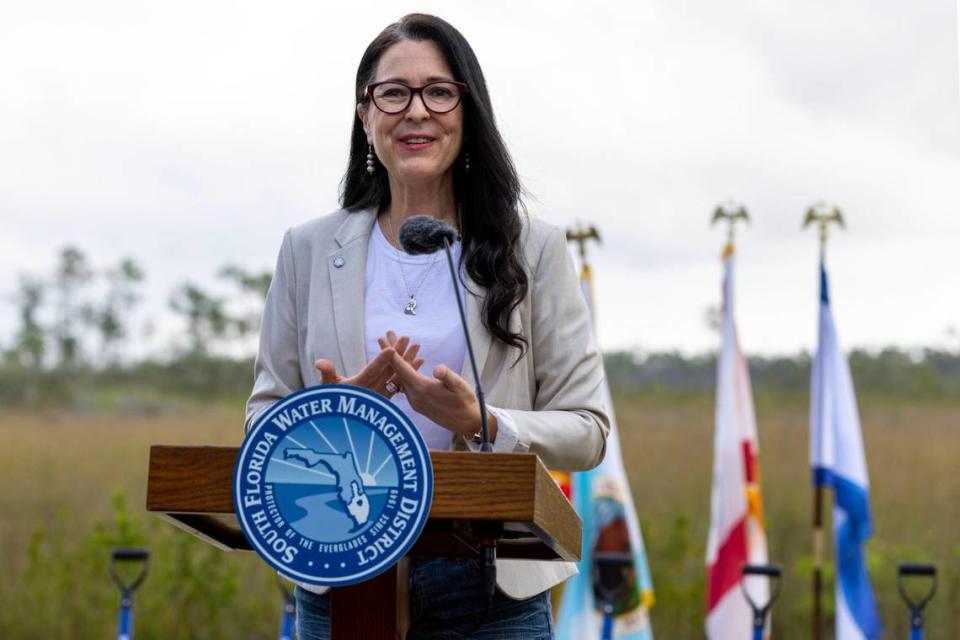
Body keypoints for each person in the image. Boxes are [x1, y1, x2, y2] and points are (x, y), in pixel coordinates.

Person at [245, 13, 609, 640]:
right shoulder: (306, 248)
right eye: (393, 93)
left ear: (468, 112)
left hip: (488, 583)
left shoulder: (534, 250)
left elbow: (588, 431)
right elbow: (262, 420)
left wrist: (483, 421)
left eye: (439, 92)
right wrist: (336, 414)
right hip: (342, 570)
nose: (416, 111)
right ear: (365, 116)